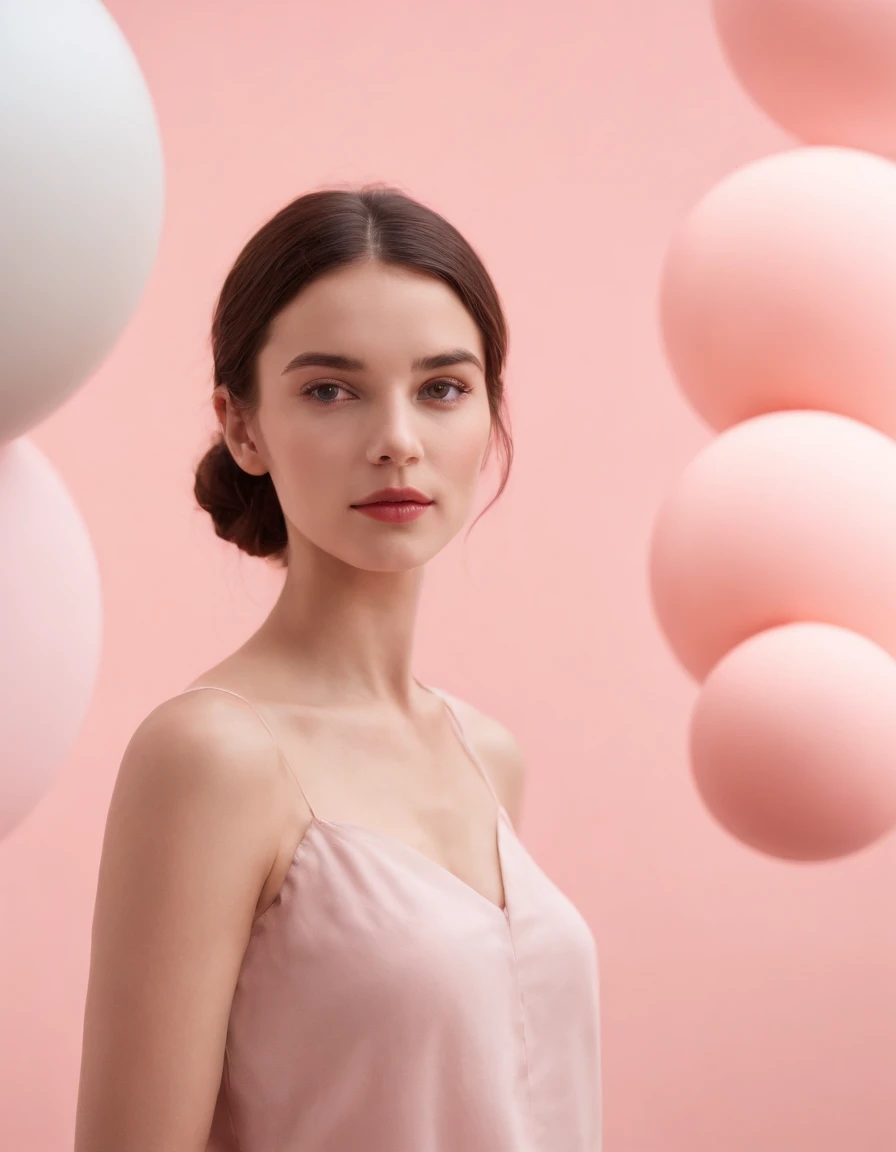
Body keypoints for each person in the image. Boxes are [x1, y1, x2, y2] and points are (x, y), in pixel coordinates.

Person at [74, 185, 602, 1151]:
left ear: (489, 415)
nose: (397, 438)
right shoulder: (210, 758)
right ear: (242, 427)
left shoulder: (487, 756)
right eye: (331, 389)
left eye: (442, 387)